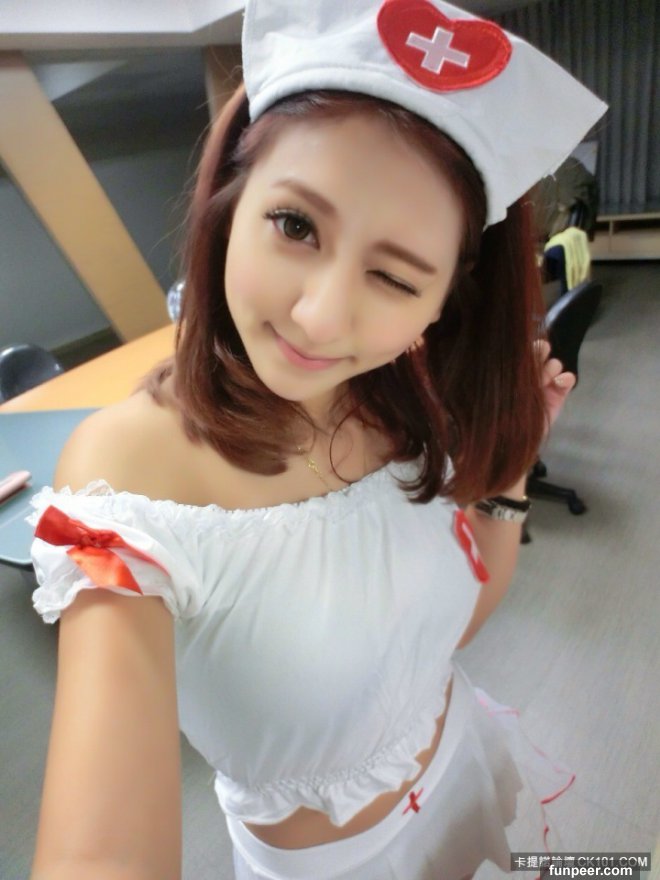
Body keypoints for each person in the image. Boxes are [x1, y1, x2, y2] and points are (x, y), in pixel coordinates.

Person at [27, 2, 607, 879]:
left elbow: (453, 624)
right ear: (230, 203)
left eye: (394, 277)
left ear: (443, 302)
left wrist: (512, 457)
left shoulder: (406, 402)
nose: (321, 316)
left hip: (464, 767)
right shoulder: (122, 477)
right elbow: (102, 856)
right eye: (296, 226)